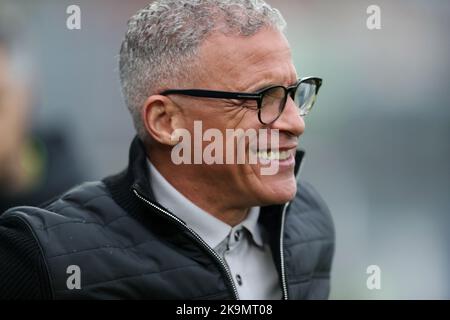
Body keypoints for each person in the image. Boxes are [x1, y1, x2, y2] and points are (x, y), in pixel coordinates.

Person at [0, 0, 334, 299]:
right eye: (262, 99)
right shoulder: (39, 255)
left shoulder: (308, 220)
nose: (296, 123)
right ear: (164, 121)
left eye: (294, 94)